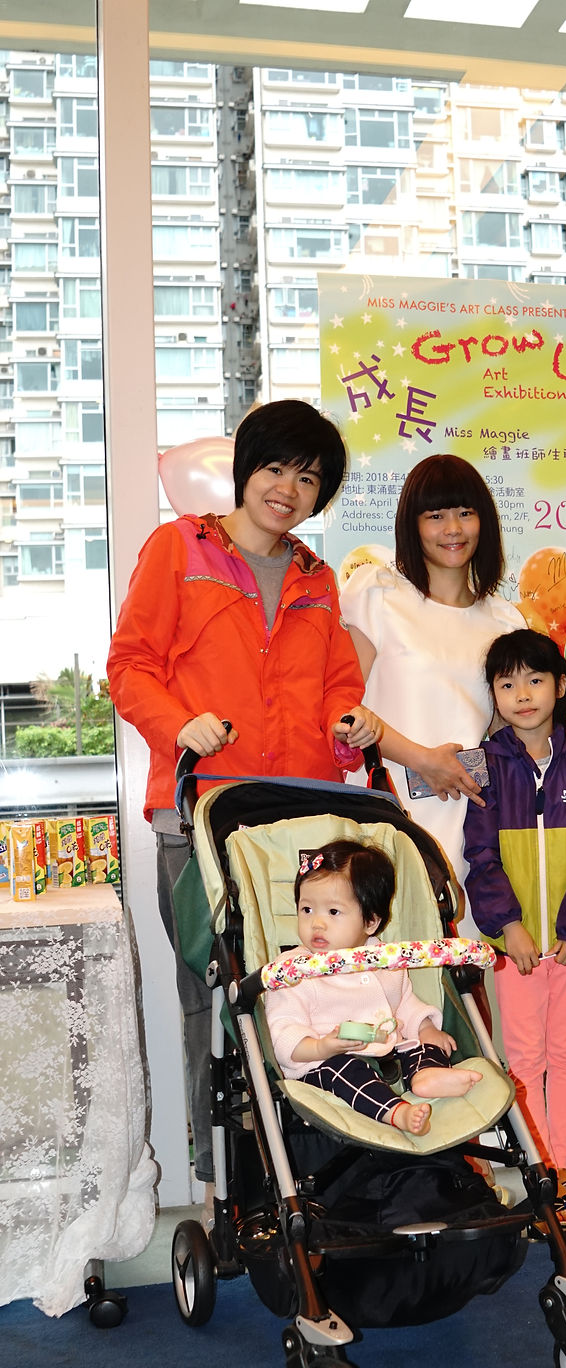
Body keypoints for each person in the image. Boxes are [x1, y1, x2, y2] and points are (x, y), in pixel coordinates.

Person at [107, 399, 382, 1191]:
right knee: (215, 996)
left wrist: (352, 727)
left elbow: (337, 688)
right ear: (245, 469)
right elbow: (130, 665)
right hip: (200, 813)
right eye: (275, 468)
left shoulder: (317, 577)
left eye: (309, 479)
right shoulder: (179, 548)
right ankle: (224, 1180)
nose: (288, 489)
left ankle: (309, 1171)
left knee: (307, 989)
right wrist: (178, 724)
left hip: (299, 819)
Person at [340, 454, 566, 934]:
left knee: (462, 965)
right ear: (412, 525)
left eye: (465, 513)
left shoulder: (503, 619)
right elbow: (344, 711)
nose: (453, 529)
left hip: (473, 821)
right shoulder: (377, 594)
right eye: (436, 515)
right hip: (385, 813)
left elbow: (518, 732)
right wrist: (423, 759)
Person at [463, 629, 566, 1229]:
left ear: (560, 685)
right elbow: (480, 856)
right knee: (524, 1059)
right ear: (494, 695)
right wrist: (509, 927)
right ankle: (541, 1174)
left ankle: (562, 1169)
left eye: (534, 680)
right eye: (507, 684)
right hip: (517, 948)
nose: (522, 694)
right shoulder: (484, 765)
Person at [265, 840, 481, 1137]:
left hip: (388, 1052)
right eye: (307, 909)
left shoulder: (384, 958)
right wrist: (322, 1046)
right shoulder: (293, 970)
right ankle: (397, 1112)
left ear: (370, 921)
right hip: (322, 1064)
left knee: (421, 1044)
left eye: (333, 911)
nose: (317, 923)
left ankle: (426, 1075)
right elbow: (282, 1032)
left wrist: (426, 1028)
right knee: (342, 1070)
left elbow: (405, 1003)